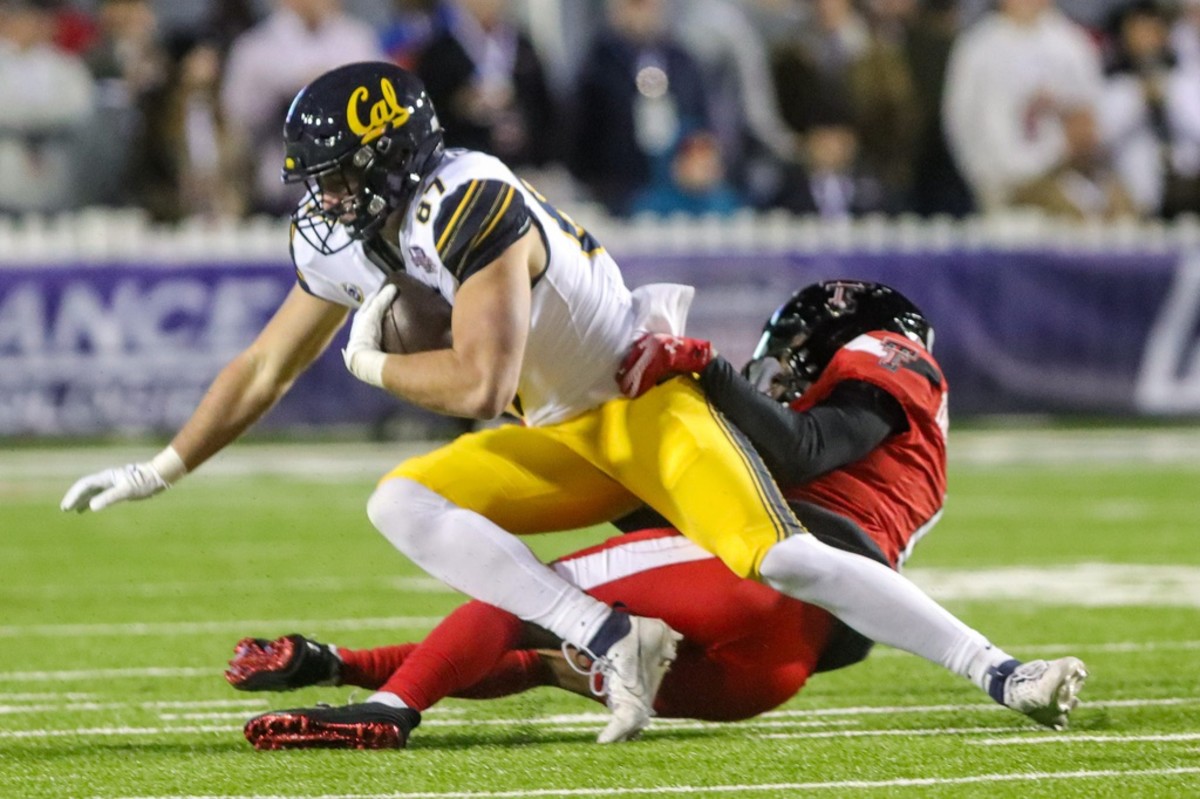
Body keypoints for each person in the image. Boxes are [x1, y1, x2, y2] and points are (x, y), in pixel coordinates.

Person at [61, 62, 1084, 748]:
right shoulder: (355, 231)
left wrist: (369, 367)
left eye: (334, 178)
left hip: (642, 405)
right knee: (400, 504)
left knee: (783, 555)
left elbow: (476, 384)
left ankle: (1000, 670)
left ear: (387, 162)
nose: (319, 200)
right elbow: (262, 366)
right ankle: (604, 635)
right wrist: (165, 465)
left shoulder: (471, 200)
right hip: (564, 433)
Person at [226, 281, 1086, 749]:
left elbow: (805, 447)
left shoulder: (886, 355)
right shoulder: (919, 441)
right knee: (553, 647)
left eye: (787, 353)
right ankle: (342, 667)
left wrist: (708, 375)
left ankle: (389, 709)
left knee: (527, 593)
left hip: (765, 582)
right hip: (775, 666)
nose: (775, 368)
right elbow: (690, 491)